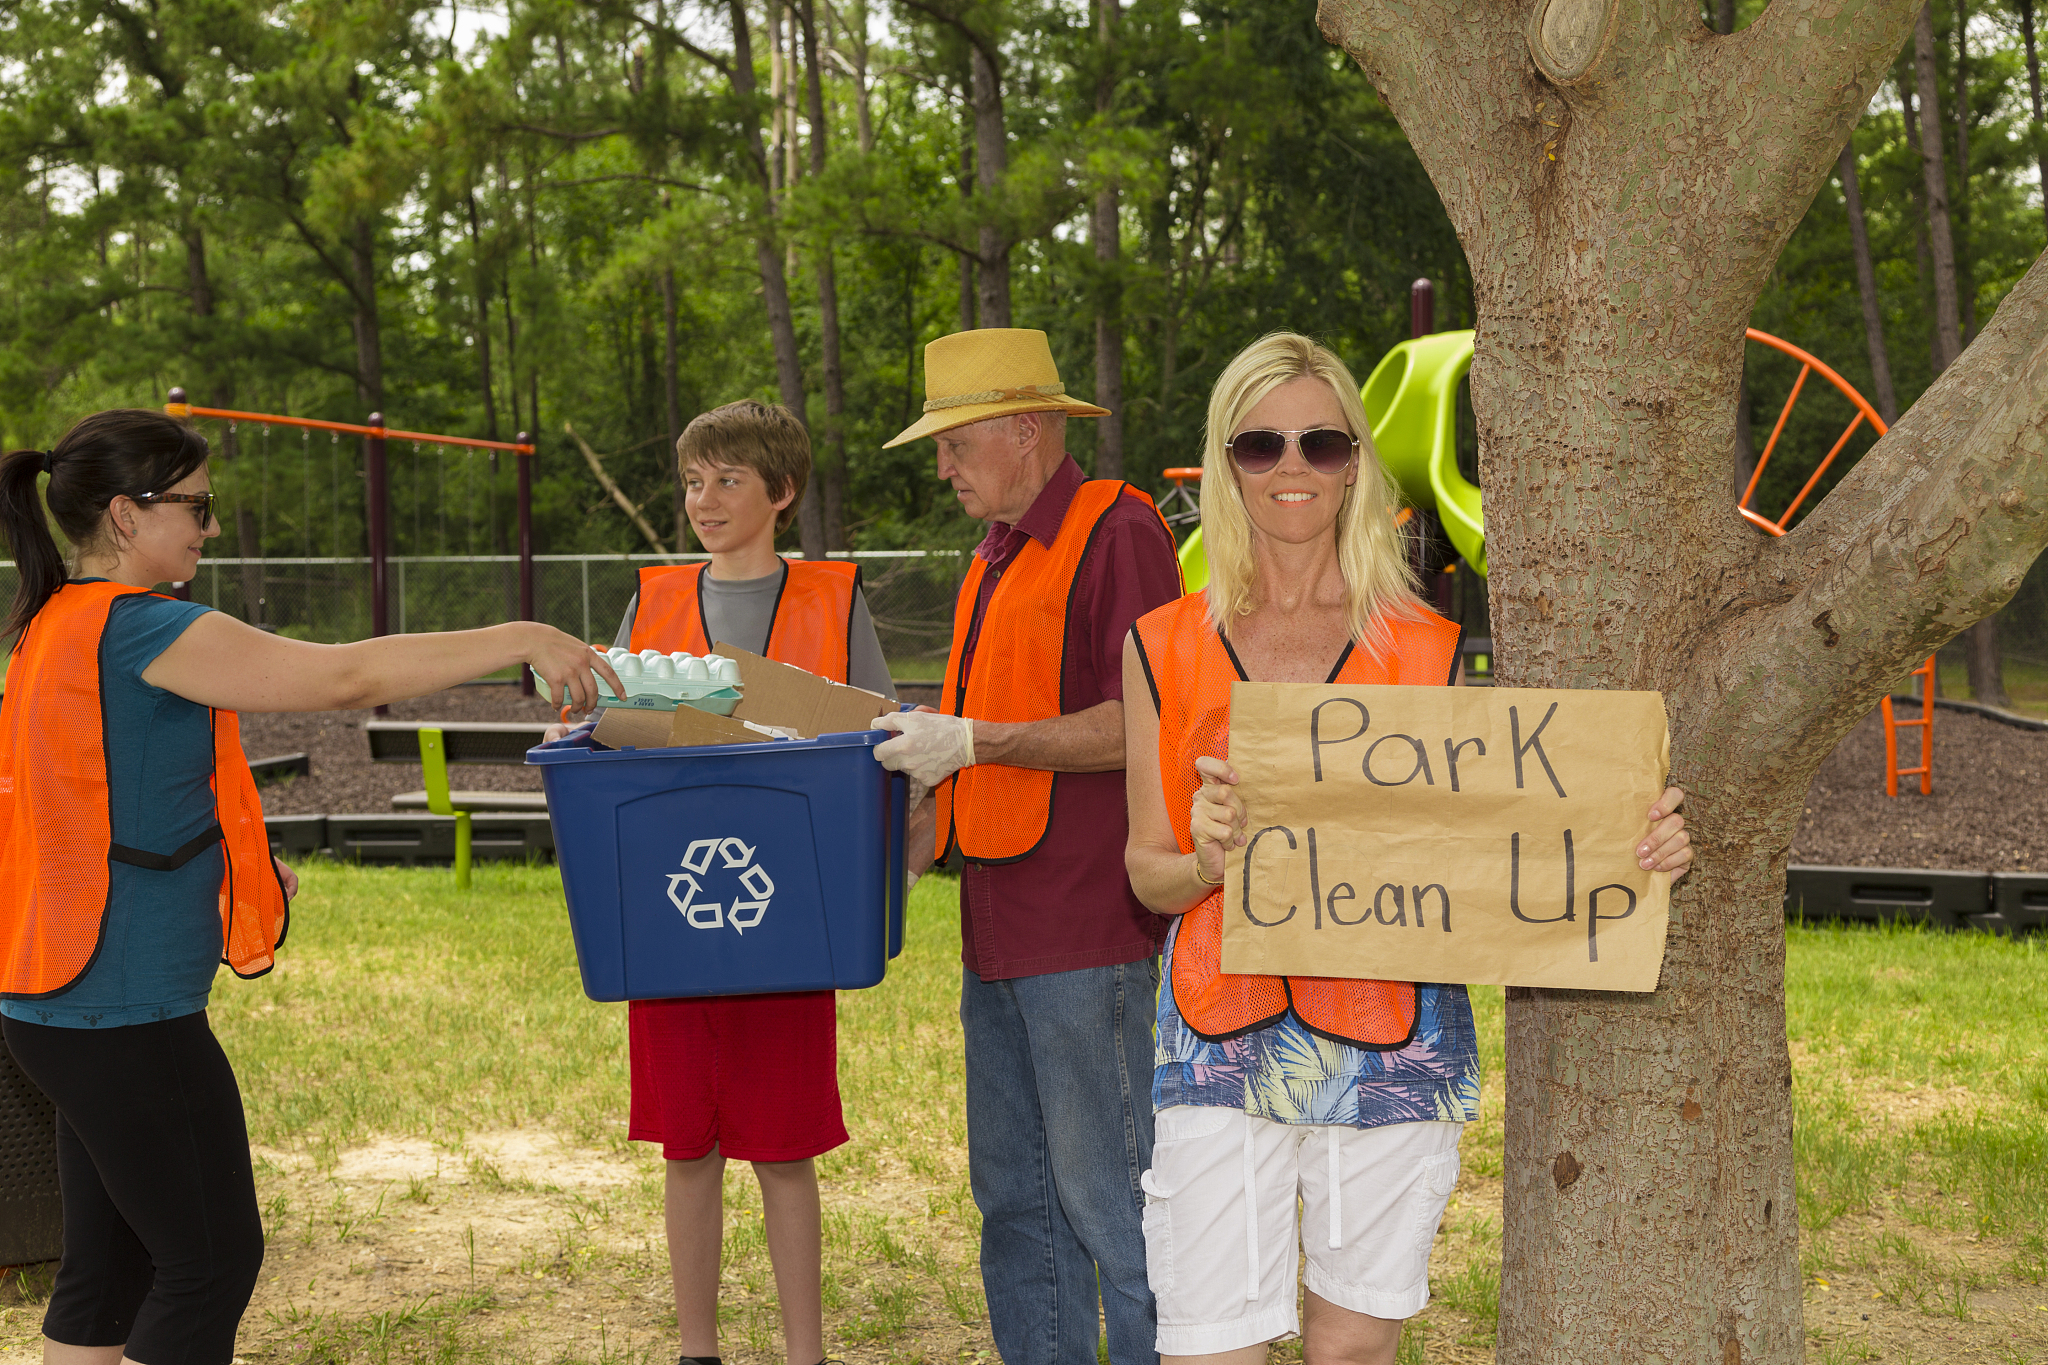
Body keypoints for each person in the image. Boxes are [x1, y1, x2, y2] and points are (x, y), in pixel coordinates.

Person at [1121, 333, 1694, 1365]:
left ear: (1355, 462)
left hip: (1389, 1031)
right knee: (1208, 1350)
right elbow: (1144, 871)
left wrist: (1627, 842)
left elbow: (1493, 832)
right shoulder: (1158, 644)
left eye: (1320, 442)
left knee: (1352, 1350)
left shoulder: (1424, 647)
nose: (1291, 466)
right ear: (1224, 461)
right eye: (1259, 443)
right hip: (1214, 1031)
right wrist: (1204, 863)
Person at [0, 409, 615, 1365]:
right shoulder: (141, 627)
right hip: (122, 1012)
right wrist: (522, 634)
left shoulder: (53, 622)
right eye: (196, 505)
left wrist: (229, 857)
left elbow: (97, 799)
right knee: (209, 1263)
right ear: (127, 513)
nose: (210, 526)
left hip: (57, 1002)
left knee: (108, 1271)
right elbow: (346, 677)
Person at [871, 328, 1184, 1365]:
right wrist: (932, 791)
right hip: (998, 928)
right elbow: (985, 733)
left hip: (1086, 927)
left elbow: (1147, 723)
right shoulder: (997, 555)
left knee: (1115, 1203)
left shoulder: (1119, 531)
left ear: (1027, 429)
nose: (942, 467)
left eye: (954, 443)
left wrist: (973, 742)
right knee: (1015, 1204)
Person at [588, 400, 894, 1365]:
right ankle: (698, 1350)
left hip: (789, 916)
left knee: (785, 1146)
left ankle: (807, 1351)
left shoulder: (834, 601)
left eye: (729, 479)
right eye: (693, 481)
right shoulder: (652, 601)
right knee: (688, 1144)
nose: (705, 500)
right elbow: (609, 730)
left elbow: (877, 731)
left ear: (782, 491)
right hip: (674, 908)